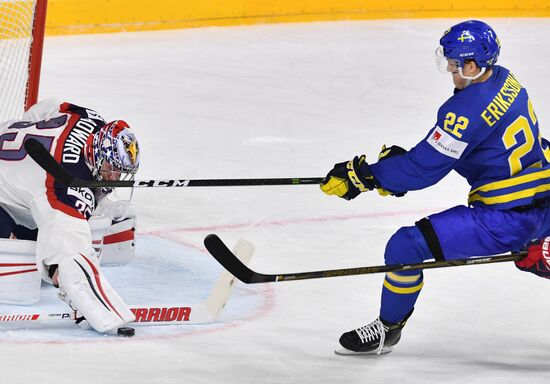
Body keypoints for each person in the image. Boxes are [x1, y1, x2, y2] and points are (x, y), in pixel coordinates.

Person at [320, 20, 550, 355]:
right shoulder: (506, 79)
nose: (451, 71)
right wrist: (394, 170)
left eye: (455, 65)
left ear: (472, 66)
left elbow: (424, 170)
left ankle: (388, 329)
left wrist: (366, 176)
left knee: (405, 247)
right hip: (544, 202)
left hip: (507, 220)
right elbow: (473, 151)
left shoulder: (464, 110)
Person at [0, 98, 140, 332]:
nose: (115, 179)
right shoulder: (64, 188)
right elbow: (68, 255)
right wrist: (94, 307)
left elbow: (43, 110)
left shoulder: (89, 118)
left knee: (74, 216)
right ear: (96, 154)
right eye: (111, 170)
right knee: (23, 241)